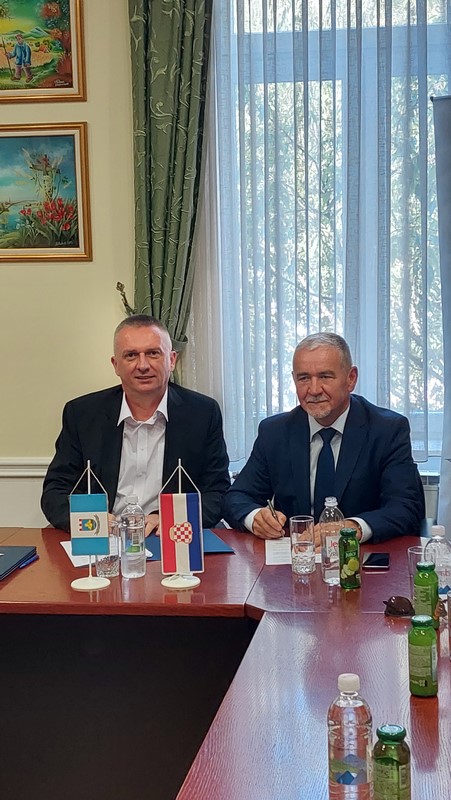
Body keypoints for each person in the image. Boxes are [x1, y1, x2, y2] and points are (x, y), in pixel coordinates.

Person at [222, 332, 425, 545]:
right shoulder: (275, 432)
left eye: (325, 377)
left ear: (351, 378)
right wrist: (255, 518)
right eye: (304, 378)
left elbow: (406, 507)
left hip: (360, 557)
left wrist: (353, 528)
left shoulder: (387, 430)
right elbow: (236, 497)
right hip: (297, 556)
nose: (314, 390)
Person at [42, 315, 230, 533]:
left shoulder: (203, 413)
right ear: (116, 365)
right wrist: (93, 519)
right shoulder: (82, 414)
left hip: (171, 536)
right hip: (102, 534)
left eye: (153, 353)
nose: (143, 365)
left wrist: (170, 519)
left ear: (171, 360)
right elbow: (55, 493)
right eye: (131, 355)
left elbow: (217, 493)